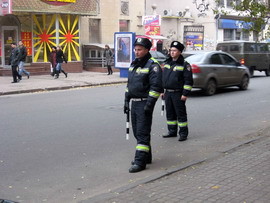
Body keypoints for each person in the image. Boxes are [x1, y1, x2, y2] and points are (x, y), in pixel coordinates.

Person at [124, 38, 163, 173]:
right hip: (135, 103)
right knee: (137, 132)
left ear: (147, 50)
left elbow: (156, 87)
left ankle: (140, 161)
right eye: (135, 49)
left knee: (142, 133)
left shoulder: (153, 65)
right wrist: (126, 99)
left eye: (139, 49)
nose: (137, 52)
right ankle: (147, 157)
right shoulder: (134, 64)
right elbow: (130, 84)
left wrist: (149, 104)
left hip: (144, 103)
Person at [162, 41, 193, 141]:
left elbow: (188, 81)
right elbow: (163, 78)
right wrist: (162, 90)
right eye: (171, 50)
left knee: (180, 114)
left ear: (179, 52)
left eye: (174, 51)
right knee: (170, 113)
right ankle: (172, 131)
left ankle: (183, 133)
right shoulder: (167, 63)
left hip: (178, 93)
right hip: (168, 93)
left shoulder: (185, 65)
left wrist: (185, 94)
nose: (172, 52)